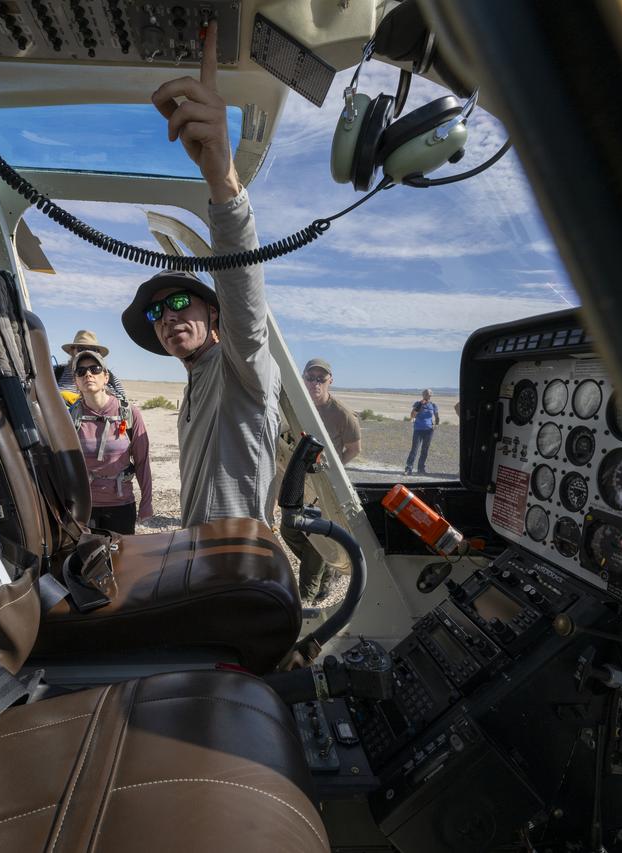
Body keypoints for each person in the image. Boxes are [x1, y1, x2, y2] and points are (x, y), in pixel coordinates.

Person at [120, 22, 280, 527]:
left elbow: (245, 301)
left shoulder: (241, 367)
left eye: (177, 303)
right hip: (202, 564)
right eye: (155, 312)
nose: (165, 318)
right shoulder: (195, 380)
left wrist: (222, 179)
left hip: (235, 569)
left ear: (214, 312)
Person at [281, 358, 362, 603]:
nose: (315, 383)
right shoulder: (295, 407)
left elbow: (354, 448)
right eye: (310, 377)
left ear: (330, 381)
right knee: (290, 531)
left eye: (321, 379)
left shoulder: (341, 414)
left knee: (316, 538)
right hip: (300, 481)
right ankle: (328, 569)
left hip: (325, 486)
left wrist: (334, 468)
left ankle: (306, 596)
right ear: (302, 379)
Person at [68, 349, 151, 534]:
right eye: (81, 371)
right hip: (84, 507)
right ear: (76, 382)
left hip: (121, 505)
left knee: (122, 560)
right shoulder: (71, 417)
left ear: (106, 377)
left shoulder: (128, 413)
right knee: (90, 560)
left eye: (94, 369)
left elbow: (142, 461)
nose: (88, 374)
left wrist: (147, 502)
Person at [57, 330, 127, 399]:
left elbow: (123, 404)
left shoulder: (109, 377)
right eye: (81, 349)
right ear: (72, 351)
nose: (86, 352)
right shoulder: (56, 372)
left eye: (93, 350)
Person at [406, 388, 440, 475]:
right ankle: (408, 468)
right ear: (423, 395)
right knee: (414, 449)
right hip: (418, 429)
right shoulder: (418, 403)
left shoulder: (433, 405)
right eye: (426, 394)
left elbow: (436, 416)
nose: (428, 395)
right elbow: (412, 415)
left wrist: (436, 425)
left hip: (429, 431)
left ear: (431, 395)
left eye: (429, 394)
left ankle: (421, 469)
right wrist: (420, 405)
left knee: (425, 450)